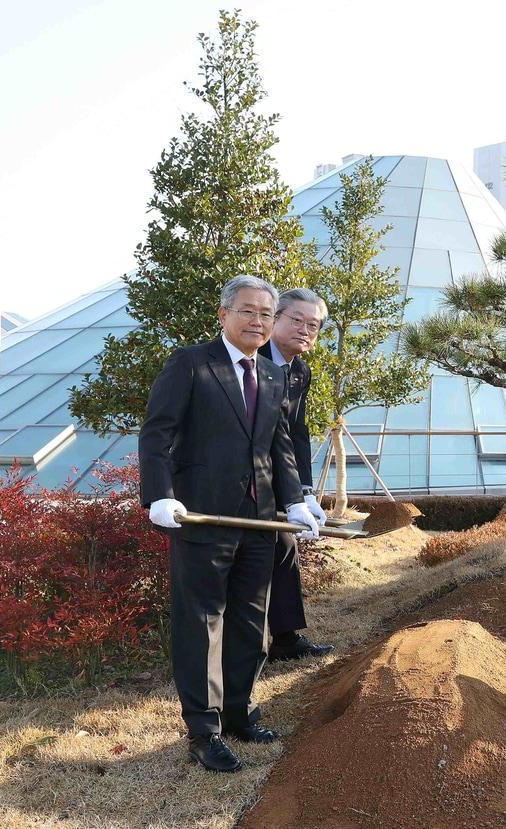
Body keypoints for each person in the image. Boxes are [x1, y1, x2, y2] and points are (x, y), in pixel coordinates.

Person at [139, 275, 323, 773]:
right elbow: (157, 433)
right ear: (223, 314)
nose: (258, 321)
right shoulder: (192, 364)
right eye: (248, 311)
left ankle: (239, 712)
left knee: (249, 622)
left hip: (260, 521)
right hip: (201, 516)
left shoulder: (271, 374)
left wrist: (296, 500)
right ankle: (205, 731)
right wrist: (159, 496)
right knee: (202, 623)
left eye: (266, 314)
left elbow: (279, 444)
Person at [260, 288, 334, 661]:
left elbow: (296, 431)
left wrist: (304, 491)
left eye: (314, 325)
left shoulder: (299, 369)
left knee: (286, 548)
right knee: (259, 555)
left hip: (281, 473)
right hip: (247, 475)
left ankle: (286, 639)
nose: (305, 330)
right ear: (274, 318)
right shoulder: (251, 361)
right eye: (296, 320)